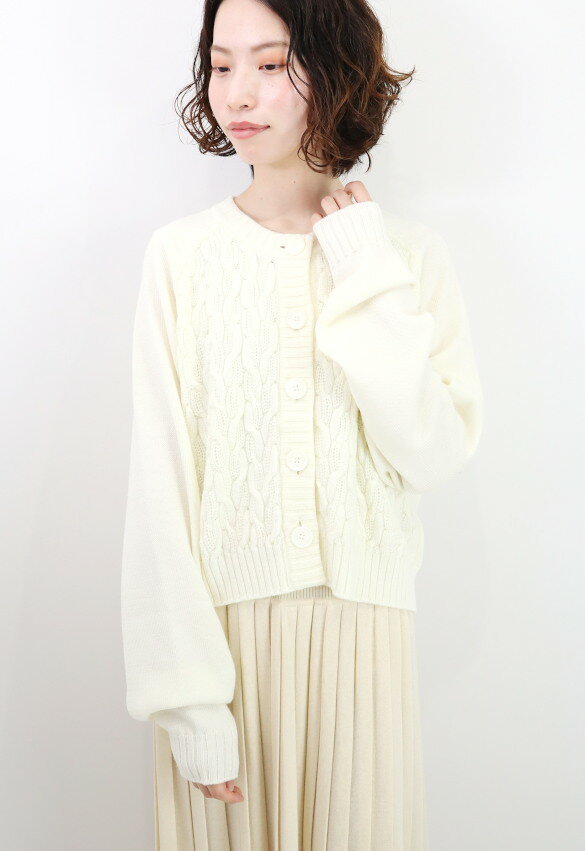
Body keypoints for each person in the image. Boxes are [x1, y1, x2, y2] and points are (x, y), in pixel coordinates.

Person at [120, 0, 484, 846]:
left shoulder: (406, 257)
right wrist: (187, 699)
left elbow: (431, 453)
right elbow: (159, 483)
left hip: (365, 647)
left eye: (271, 63)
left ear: (337, 69)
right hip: (221, 650)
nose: (237, 93)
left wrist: (362, 269)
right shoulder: (181, 257)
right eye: (220, 65)